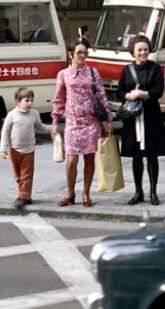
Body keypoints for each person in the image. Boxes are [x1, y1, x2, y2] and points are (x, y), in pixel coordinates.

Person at [51, 42, 113, 208]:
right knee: (71, 159)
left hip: (91, 122)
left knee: (89, 158)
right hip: (72, 122)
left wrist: (107, 120)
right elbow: (59, 99)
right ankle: (70, 193)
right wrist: (55, 121)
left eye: (85, 53)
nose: (82, 56)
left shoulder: (93, 73)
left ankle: (86, 193)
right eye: (79, 53)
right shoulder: (63, 74)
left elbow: (102, 96)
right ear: (71, 54)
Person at [117, 34, 165, 206]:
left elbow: (159, 90)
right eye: (139, 50)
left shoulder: (155, 68)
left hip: (151, 115)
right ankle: (138, 192)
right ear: (133, 52)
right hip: (133, 117)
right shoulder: (126, 70)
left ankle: (153, 192)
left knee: (152, 156)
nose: (143, 53)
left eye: (145, 49)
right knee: (136, 156)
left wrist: (144, 94)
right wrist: (129, 95)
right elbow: (119, 91)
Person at [0, 87, 49, 209]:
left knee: (26, 174)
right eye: (27, 100)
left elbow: (39, 126)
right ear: (18, 101)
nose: (30, 103)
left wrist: (51, 129)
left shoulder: (34, 114)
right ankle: (25, 195)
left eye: (32, 100)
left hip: (29, 150)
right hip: (14, 150)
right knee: (18, 175)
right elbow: (5, 132)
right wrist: (3, 148)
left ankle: (23, 196)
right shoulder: (11, 115)